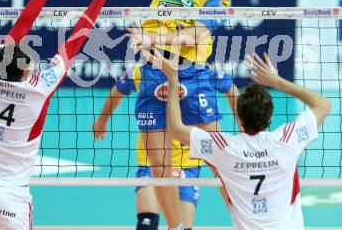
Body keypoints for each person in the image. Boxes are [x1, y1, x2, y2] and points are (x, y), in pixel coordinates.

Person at [0, 0, 135, 230]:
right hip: (11, 200)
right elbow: (76, 40)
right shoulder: (39, 89)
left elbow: (21, 25)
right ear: (28, 70)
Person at [128, 0, 232, 230]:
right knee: (159, 163)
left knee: (219, 157)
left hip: (192, 73)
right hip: (154, 69)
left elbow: (198, 34)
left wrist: (152, 36)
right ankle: (177, 228)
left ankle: (248, 218)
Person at [144, 48, 331, 230]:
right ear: (270, 116)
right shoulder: (287, 140)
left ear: (239, 117)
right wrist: (277, 82)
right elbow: (323, 104)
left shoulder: (224, 148)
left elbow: (176, 128)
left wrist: (173, 79)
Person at [92, 63, 239, 230]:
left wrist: (244, 128)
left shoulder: (202, 70)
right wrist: (101, 121)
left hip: (188, 163)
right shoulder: (144, 70)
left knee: (183, 227)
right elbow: (117, 91)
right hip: (153, 160)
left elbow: (231, 90)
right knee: (146, 224)